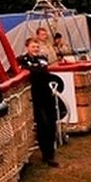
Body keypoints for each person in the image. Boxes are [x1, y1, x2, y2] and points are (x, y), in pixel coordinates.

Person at [19, 37, 60, 167]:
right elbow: (30, 71)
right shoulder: (22, 59)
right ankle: (46, 154)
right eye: (33, 47)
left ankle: (50, 154)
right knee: (43, 124)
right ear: (27, 47)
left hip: (46, 94)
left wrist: (36, 69)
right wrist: (36, 69)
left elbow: (42, 71)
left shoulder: (43, 58)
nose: (35, 49)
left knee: (51, 123)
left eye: (37, 47)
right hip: (35, 96)